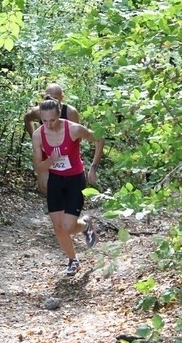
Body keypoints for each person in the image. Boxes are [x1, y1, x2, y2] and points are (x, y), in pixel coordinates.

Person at [31, 98, 104, 276]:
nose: (48, 124)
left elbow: (99, 139)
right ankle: (73, 260)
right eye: (44, 121)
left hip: (74, 180)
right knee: (58, 227)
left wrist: (93, 168)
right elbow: (38, 167)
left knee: (68, 225)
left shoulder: (73, 129)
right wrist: (51, 161)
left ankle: (85, 225)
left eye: (52, 120)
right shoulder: (38, 135)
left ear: (59, 116)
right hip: (56, 180)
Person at [24, 83, 80, 195]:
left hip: (66, 150)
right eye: (47, 97)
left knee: (67, 183)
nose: (51, 100)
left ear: (62, 97)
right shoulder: (38, 111)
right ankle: (53, 203)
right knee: (43, 186)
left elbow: (78, 136)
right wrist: (34, 138)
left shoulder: (70, 112)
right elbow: (26, 119)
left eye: (55, 97)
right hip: (46, 149)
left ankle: (64, 204)